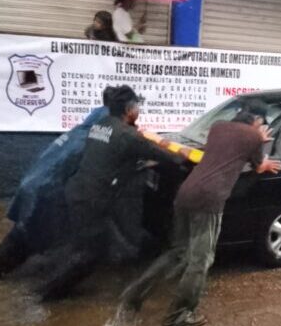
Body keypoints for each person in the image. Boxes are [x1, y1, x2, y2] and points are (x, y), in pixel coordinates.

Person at [117, 101, 281, 326]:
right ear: (258, 121)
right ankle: (179, 315)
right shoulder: (253, 137)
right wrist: (260, 140)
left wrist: (254, 139)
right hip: (209, 199)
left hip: (185, 194)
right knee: (201, 260)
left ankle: (133, 295)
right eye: (262, 123)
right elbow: (258, 166)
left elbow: (227, 149)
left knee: (178, 252)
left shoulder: (218, 126)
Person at [38, 85, 185, 301]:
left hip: (78, 190)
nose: (139, 111)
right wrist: (182, 155)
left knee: (81, 245)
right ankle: (48, 295)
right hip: (93, 199)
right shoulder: (128, 135)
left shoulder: (100, 125)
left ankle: (53, 284)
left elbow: (113, 155)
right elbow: (168, 157)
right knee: (90, 254)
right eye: (137, 107)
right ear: (129, 109)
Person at [0, 105, 110, 282]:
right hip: (46, 194)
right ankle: (42, 290)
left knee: (21, 235)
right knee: (42, 240)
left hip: (31, 187)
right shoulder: (90, 142)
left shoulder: (75, 134)